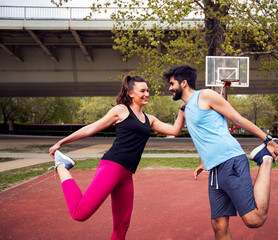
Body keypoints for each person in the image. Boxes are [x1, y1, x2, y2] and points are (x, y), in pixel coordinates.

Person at [49, 75, 185, 240]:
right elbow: (92, 128)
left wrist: (182, 110)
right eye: (142, 90)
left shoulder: (150, 120)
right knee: (79, 213)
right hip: (111, 167)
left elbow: (176, 130)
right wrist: (62, 142)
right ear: (130, 93)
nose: (147, 93)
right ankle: (62, 166)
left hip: (127, 175)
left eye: (147, 90)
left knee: (122, 226)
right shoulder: (121, 110)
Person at [163, 65, 278, 239]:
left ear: (184, 83)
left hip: (230, 160)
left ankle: (265, 160)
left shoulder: (205, 96)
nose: (170, 88)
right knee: (218, 224)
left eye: (172, 83)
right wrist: (203, 161)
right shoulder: (186, 108)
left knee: (254, 219)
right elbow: (199, 136)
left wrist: (267, 139)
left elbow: (237, 118)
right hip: (215, 170)